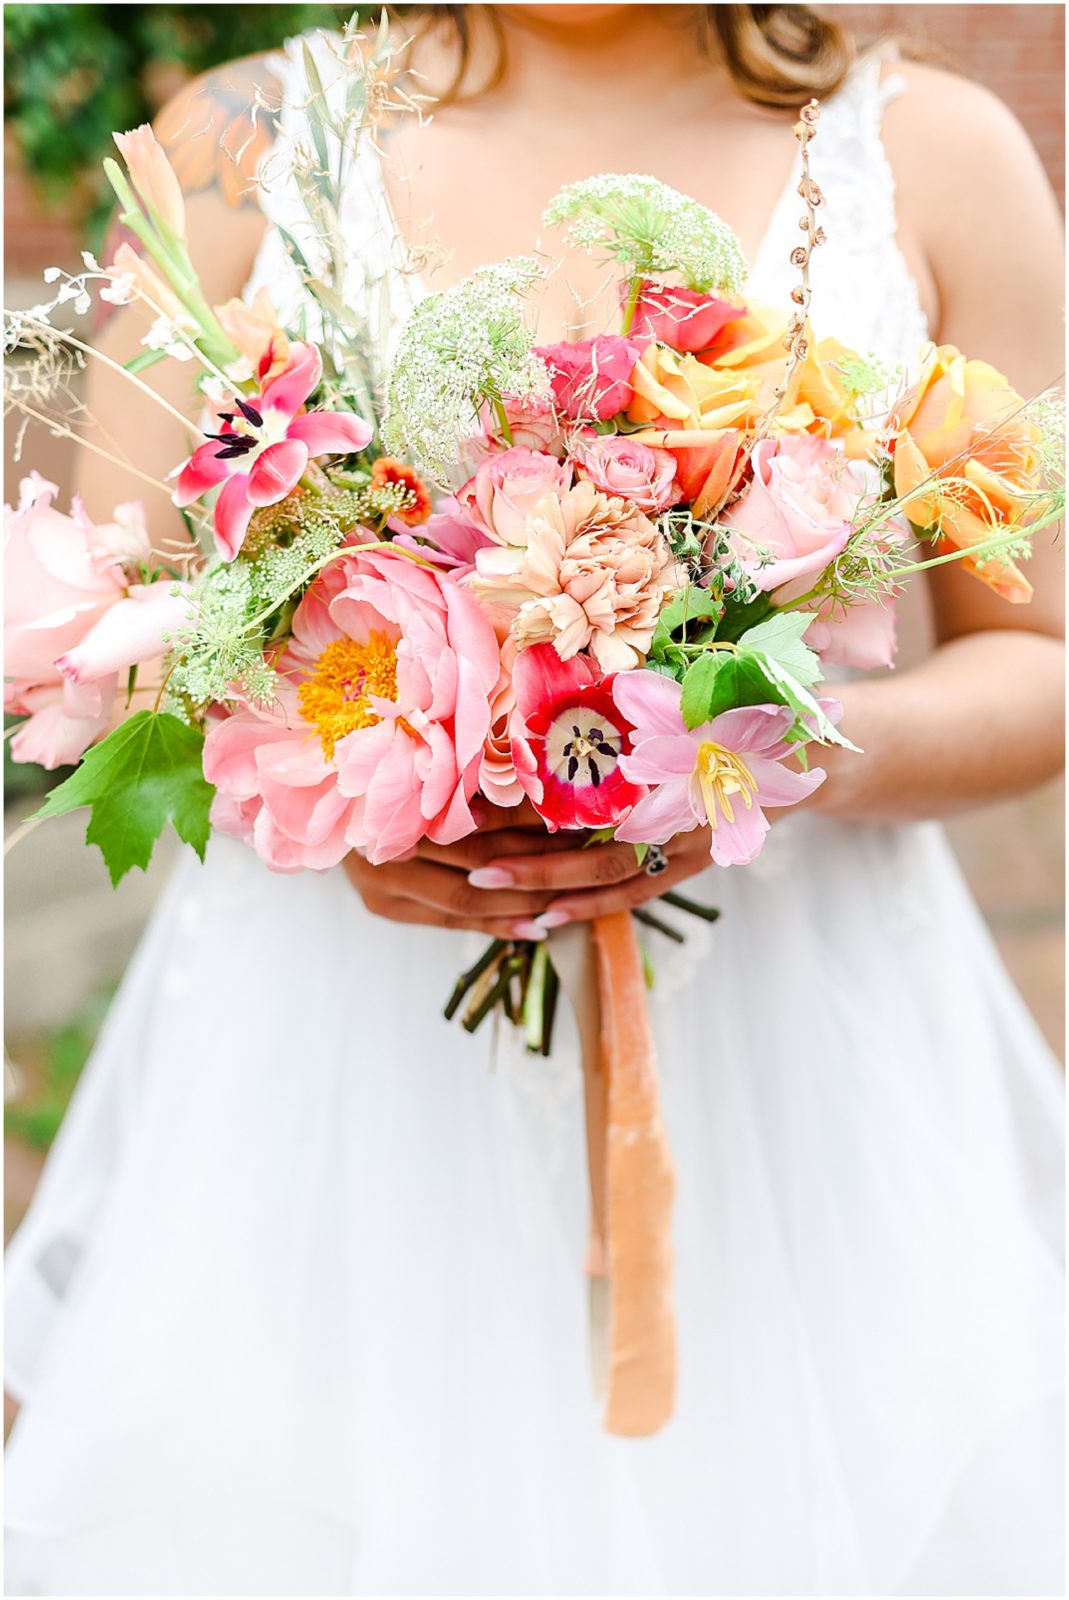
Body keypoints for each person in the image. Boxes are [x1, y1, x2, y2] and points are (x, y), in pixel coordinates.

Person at [5, 7, 1064, 1594]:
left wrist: (749, 756)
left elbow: (1035, 662)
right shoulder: (236, 142)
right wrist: (366, 784)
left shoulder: (934, 153)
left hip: (802, 1058)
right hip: (333, 1068)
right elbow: (99, 635)